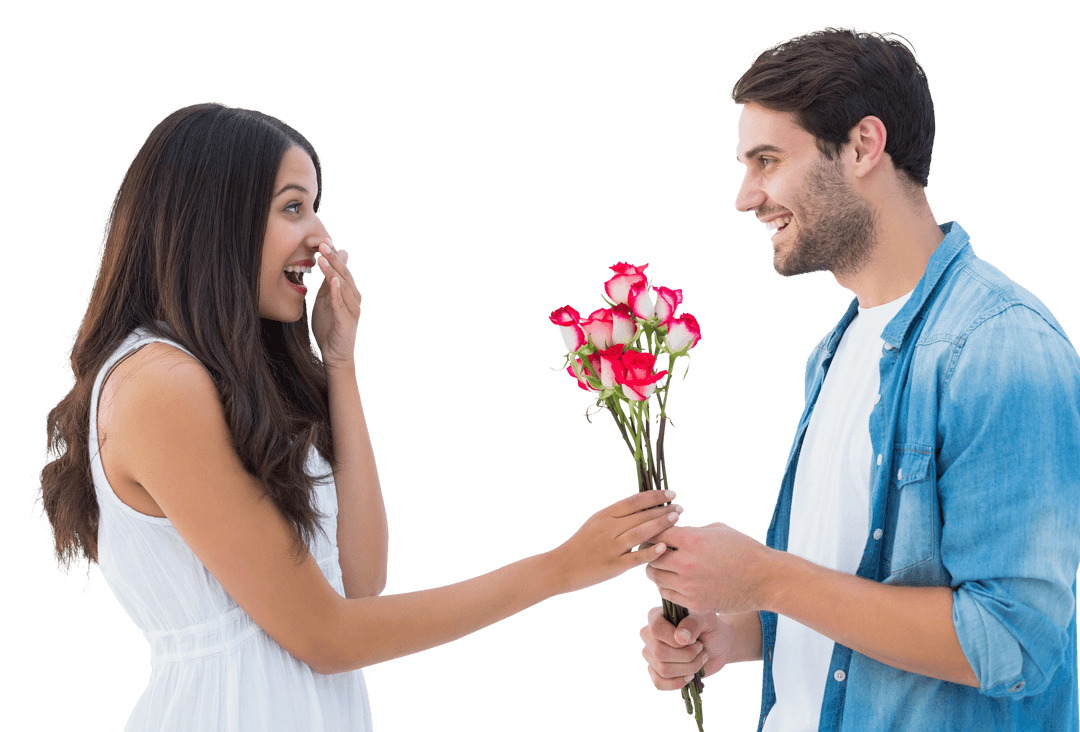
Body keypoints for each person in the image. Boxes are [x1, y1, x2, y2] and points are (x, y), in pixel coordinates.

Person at [36, 102, 683, 732]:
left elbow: (359, 583)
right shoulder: (158, 385)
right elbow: (325, 635)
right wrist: (559, 569)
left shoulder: (230, 381)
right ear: (214, 219)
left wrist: (339, 366)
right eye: (293, 206)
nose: (320, 236)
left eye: (315, 207)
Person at [638, 27, 1080, 731]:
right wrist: (737, 630)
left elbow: (1014, 643)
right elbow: (856, 595)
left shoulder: (1000, 348)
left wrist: (766, 577)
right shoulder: (835, 353)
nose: (745, 196)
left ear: (864, 146)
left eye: (767, 160)